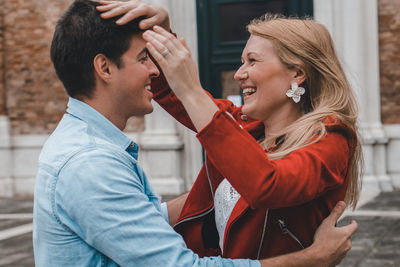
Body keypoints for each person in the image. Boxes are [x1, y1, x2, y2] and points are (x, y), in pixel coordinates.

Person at [33, 0, 357, 266]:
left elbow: (266, 184)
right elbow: (177, 97)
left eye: (252, 61)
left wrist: (187, 84)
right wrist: (160, 34)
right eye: (241, 61)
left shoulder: (330, 138)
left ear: (297, 73)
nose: (240, 73)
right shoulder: (244, 126)